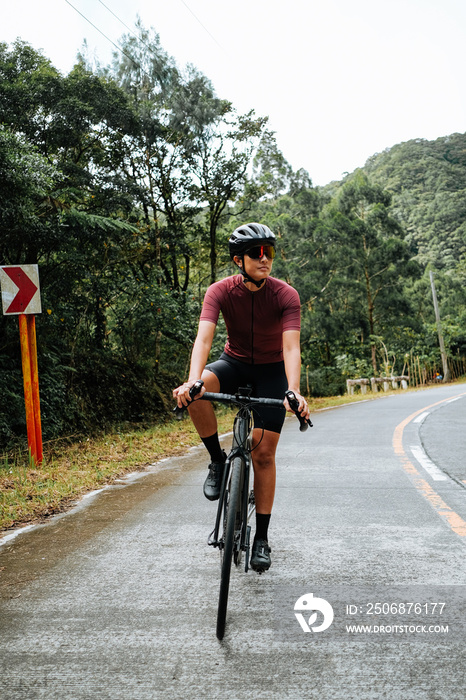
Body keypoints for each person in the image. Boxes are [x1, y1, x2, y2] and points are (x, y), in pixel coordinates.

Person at [173, 222, 310, 572]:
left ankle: (261, 538)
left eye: (270, 252)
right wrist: (192, 381)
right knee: (200, 391)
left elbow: (291, 347)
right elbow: (204, 340)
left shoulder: (285, 295)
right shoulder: (219, 291)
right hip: (232, 362)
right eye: (256, 253)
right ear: (239, 260)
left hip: (271, 371)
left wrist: (292, 389)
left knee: (263, 454)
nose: (265, 259)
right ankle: (218, 460)